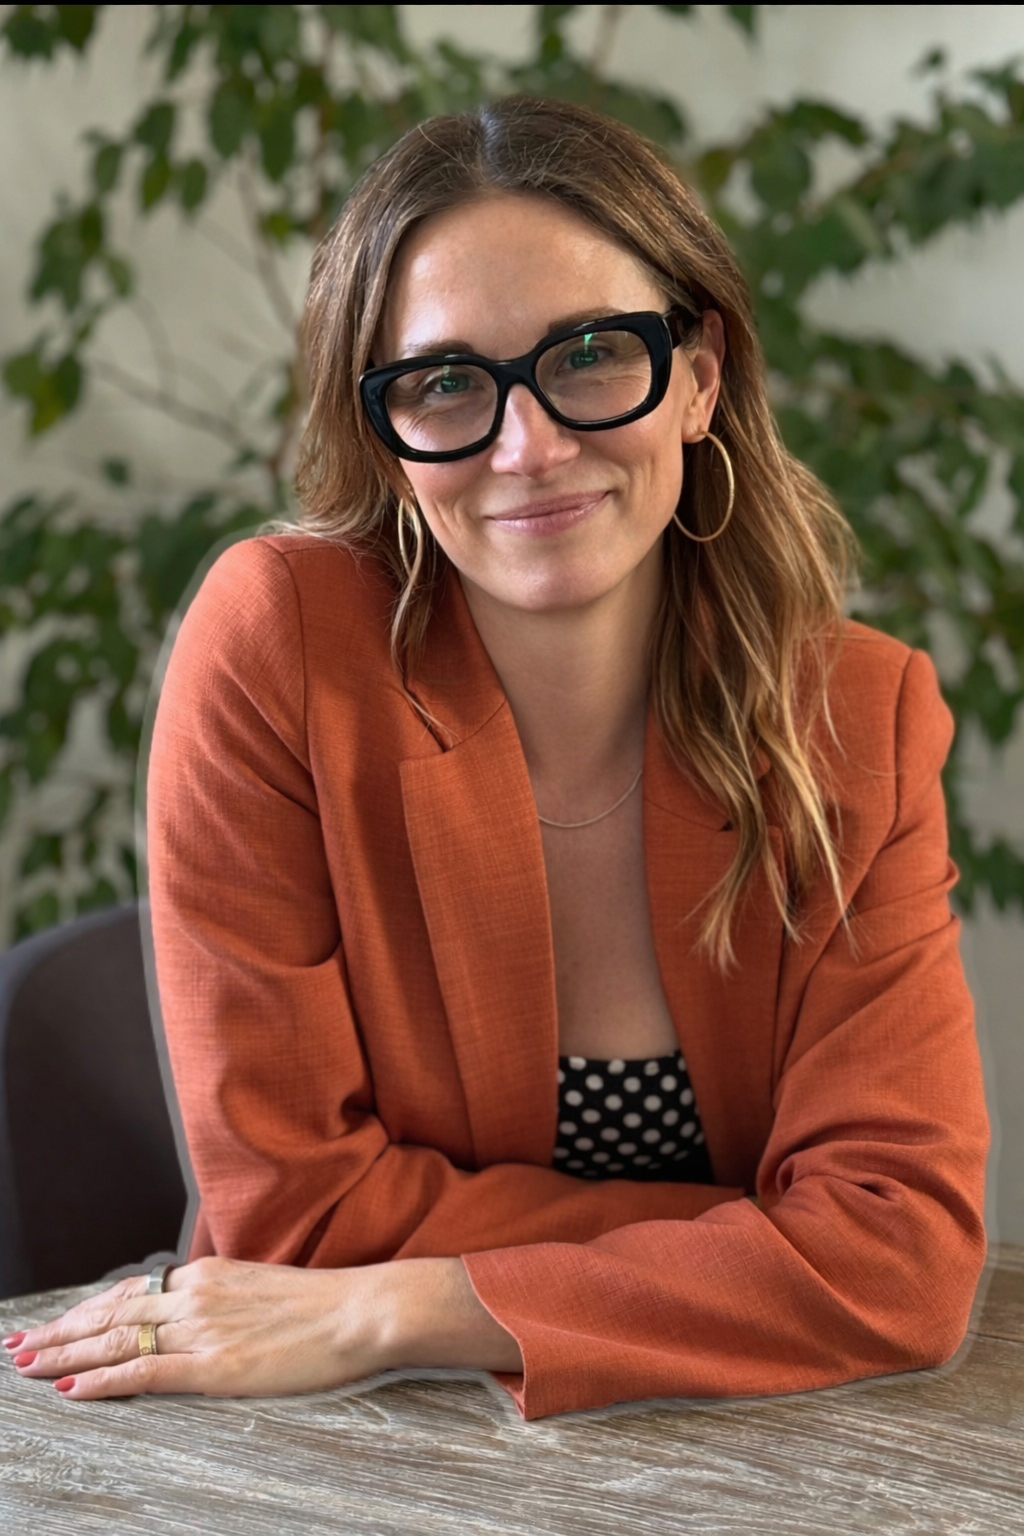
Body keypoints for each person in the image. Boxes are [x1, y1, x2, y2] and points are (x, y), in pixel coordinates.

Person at [5, 96, 988, 1420]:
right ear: (384, 436)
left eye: (590, 355)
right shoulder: (278, 653)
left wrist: (402, 1299)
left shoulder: (858, 718)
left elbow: (901, 1255)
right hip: (343, 1433)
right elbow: (297, 1221)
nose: (529, 447)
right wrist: (763, 1247)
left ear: (699, 376)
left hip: (741, 1443)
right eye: (446, 382)